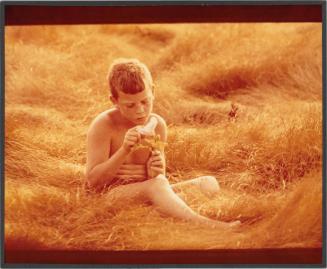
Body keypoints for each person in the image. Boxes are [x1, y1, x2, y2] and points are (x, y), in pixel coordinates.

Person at [85, 58, 240, 229]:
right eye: (130, 105)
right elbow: (93, 184)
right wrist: (124, 150)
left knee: (209, 183)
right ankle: (206, 225)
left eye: (145, 101)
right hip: (111, 196)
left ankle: (153, 214)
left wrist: (156, 171)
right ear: (114, 101)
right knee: (157, 186)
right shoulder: (104, 125)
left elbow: (159, 179)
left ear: (152, 91)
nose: (140, 110)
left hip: (147, 192)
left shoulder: (157, 125)